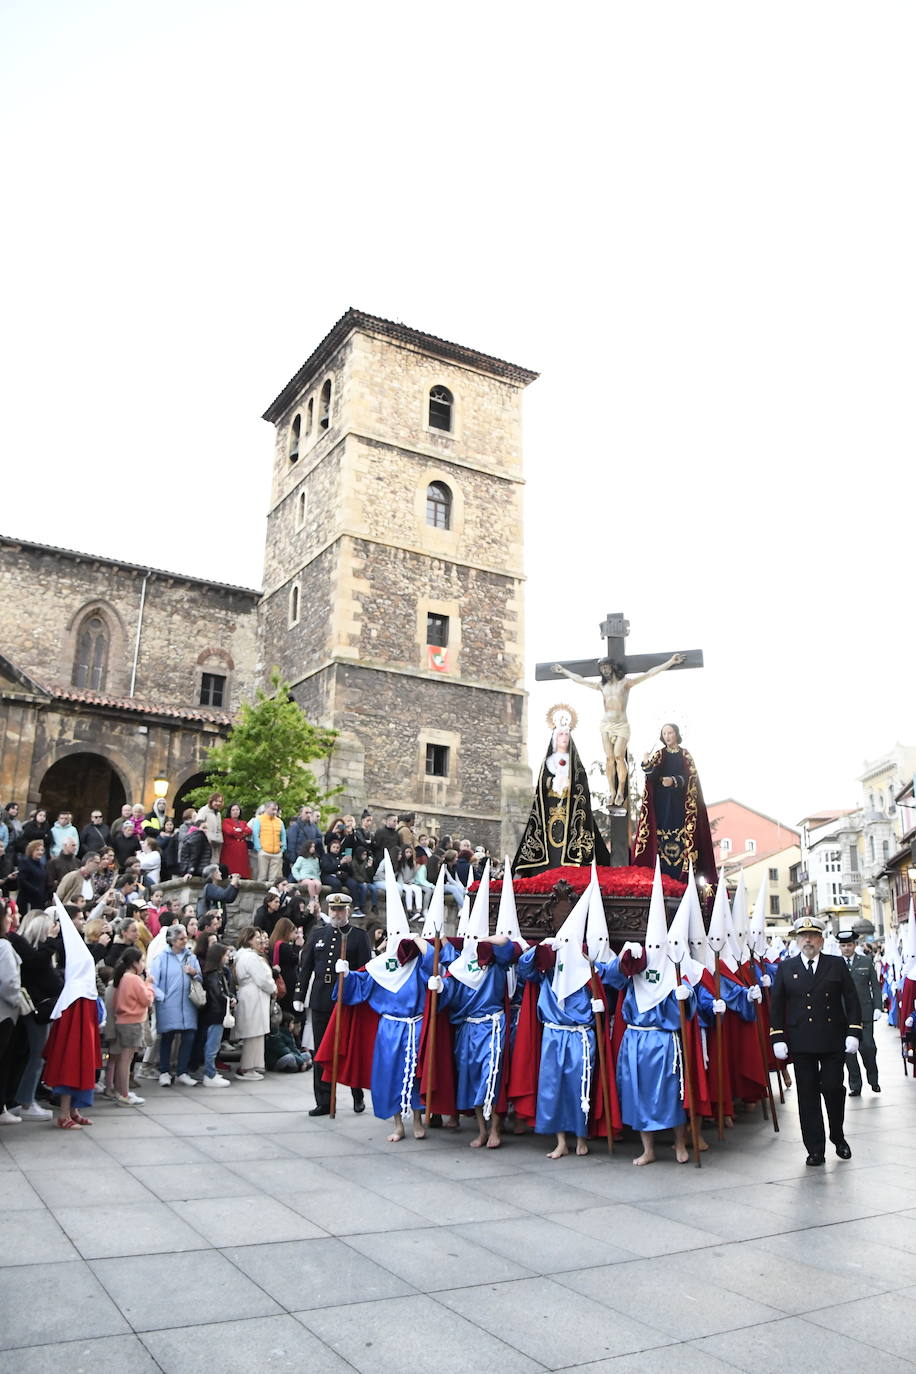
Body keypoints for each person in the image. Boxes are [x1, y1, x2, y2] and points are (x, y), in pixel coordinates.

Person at [770, 915, 863, 1166]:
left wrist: (854, 1032)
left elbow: (852, 1000)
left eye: (812, 936)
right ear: (797, 941)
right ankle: (815, 1148)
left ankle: (838, 1136)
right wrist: (777, 1036)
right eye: (803, 937)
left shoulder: (835, 965)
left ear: (821, 940)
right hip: (801, 1042)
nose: (807, 940)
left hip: (833, 1039)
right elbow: (776, 1006)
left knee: (833, 1089)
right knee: (808, 1096)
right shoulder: (786, 968)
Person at [553, 654, 686, 807]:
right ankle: (612, 791)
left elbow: (649, 673)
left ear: (613, 667)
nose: (604, 670)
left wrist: (670, 661)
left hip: (621, 725)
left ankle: (621, 790)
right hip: (606, 725)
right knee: (609, 758)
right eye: (602, 668)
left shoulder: (625, 683)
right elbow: (580, 680)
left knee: (618, 756)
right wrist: (563, 671)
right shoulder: (602, 686)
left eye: (606, 667)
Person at [293, 893, 371, 1115]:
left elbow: (366, 972)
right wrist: (299, 996)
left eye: (341, 910)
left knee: (349, 1048)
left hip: (346, 1000)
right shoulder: (318, 934)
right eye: (333, 909)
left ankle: (357, 1093)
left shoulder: (358, 936)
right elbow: (305, 967)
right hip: (321, 997)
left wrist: (350, 974)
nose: (336, 913)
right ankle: (324, 1100)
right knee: (321, 1051)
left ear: (348, 911)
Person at [514, 708, 611, 877]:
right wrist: (552, 782)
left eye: (566, 735)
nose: (564, 738)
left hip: (570, 812)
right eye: (560, 735)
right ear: (554, 738)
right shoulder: (548, 762)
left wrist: (570, 784)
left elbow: (583, 790)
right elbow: (541, 789)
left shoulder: (576, 765)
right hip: (550, 811)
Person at [632, 723, 717, 884]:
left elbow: (691, 778)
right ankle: (661, 875)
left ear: (676, 734)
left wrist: (674, 781)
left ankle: (682, 875)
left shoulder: (685, 755)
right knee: (661, 836)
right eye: (664, 733)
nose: (667, 736)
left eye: (670, 732)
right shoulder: (660, 754)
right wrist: (645, 761)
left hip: (681, 805)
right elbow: (652, 776)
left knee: (681, 835)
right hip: (662, 804)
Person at [150, 924, 202, 1087]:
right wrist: (162, 997)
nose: (185, 941)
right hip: (168, 1004)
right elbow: (153, 982)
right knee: (167, 1036)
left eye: (185, 937)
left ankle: (182, 1071)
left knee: (189, 1036)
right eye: (181, 938)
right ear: (171, 940)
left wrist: (194, 973)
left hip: (188, 1004)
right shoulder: (161, 958)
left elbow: (200, 978)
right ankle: (164, 1071)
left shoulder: (190, 957)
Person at [836, 927, 882, 1096]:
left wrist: (878, 1007)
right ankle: (855, 1085)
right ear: (839, 948)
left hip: (865, 1013)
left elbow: (875, 988)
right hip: (844, 1015)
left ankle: (873, 1079)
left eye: (849, 945)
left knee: (868, 1047)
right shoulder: (835, 964)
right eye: (843, 946)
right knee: (850, 1052)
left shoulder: (865, 962)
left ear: (855, 945)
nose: (846, 948)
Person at [110, 947, 154, 1105]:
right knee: (126, 1060)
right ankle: (124, 1093)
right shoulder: (134, 979)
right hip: (132, 1021)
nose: (143, 964)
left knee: (124, 1059)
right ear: (134, 963)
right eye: (141, 961)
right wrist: (149, 985)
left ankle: (122, 1091)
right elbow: (147, 1000)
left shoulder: (124, 977)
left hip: (124, 1021)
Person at [232, 926, 277, 1080]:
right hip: (253, 996)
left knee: (255, 1033)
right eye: (256, 937)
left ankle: (253, 1065)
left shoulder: (244, 956)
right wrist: (273, 987)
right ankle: (247, 1066)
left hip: (251, 995)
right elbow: (262, 979)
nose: (260, 940)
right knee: (253, 1033)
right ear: (249, 939)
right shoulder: (250, 958)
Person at [200, 942, 234, 1087]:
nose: (227, 958)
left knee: (213, 1044)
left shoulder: (216, 973)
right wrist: (229, 999)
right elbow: (217, 994)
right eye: (225, 955)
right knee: (212, 1045)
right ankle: (210, 1073)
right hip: (215, 1014)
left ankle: (211, 1071)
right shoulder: (214, 974)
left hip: (214, 1013)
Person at [250, 801, 285, 886]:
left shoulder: (279, 821)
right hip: (264, 851)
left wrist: (283, 849)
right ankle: (258, 897)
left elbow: (283, 835)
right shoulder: (259, 819)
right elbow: (255, 834)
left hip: (276, 852)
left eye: (276, 810)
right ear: (266, 808)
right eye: (273, 809)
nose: (274, 812)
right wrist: (259, 848)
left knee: (273, 878)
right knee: (262, 875)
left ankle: (271, 896)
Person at [220, 803, 252, 879]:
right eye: (233, 810)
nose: (235, 811)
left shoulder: (243, 822)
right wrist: (241, 832)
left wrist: (238, 831)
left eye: (237, 810)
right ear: (230, 812)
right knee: (231, 866)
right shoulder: (226, 821)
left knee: (242, 866)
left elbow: (249, 831)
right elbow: (229, 831)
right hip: (230, 849)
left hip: (242, 849)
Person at [17, 839, 48, 913]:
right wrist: (35, 890)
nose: (40, 852)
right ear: (31, 850)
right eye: (37, 850)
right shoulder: (25, 862)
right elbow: (22, 880)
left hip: (39, 900)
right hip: (27, 899)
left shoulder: (41, 865)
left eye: (42, 850)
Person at [195, 793, 224, 867]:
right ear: (211, 801)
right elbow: (198, 823)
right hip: (206, 842)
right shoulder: (204, 810)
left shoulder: (218, 814)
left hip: (217, 842)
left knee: (215, 863)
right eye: (216, 801)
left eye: (220, 801)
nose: (218, 803)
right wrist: (205, 832)